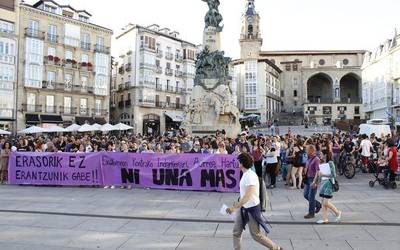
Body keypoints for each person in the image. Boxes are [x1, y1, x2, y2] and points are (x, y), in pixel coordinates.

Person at [227, 153, 282, 250]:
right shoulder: (245, 174)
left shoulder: (250, 176)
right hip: (243, 207)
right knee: (236, 232)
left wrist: (234, 208)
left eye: (238, 162)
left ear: (242, 163)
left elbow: (248, 196)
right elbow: (244, 194)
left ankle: (276, 248)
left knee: (256, 235)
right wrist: (237, 204)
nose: (237, 163)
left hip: (252, 209)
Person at [316, 152, 342, 224]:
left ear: (325, 155)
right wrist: (318, 182)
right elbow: (320, 175)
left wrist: (323, 174)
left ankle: (337, 212)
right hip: (323, 184)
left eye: (321, 154)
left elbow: (333, 175)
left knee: (326, 202)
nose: (320, 156)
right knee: (323, 203)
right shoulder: (320, 163)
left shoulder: (330, 163)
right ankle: (325, 219)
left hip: (329, 184)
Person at [303, 145, 322, 219]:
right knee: (305, 195)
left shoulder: (316, 159)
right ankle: (318, 205)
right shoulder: (309, 158)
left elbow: (318, 171)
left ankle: (311, 213)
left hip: (313, 179)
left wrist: (315, 182)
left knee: (311, 197)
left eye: (307, 150)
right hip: (307, 178)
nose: (306, 151)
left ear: (311, 151)